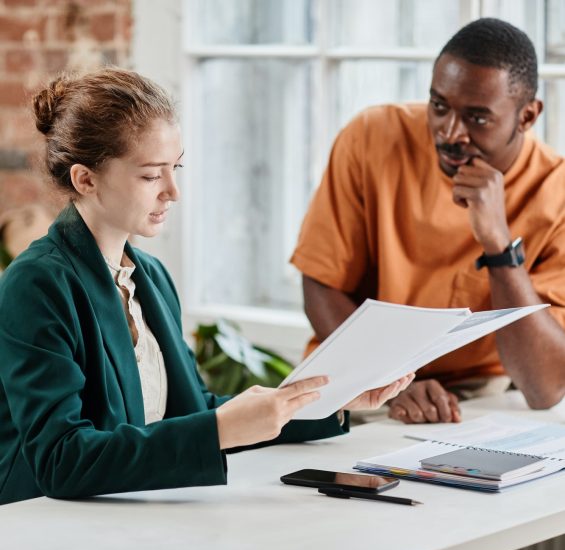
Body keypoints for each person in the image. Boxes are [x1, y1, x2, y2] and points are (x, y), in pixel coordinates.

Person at [0, 68, 413, 505]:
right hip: (41, 528)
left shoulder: (151, 277)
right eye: (150, 175)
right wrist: (218, 429)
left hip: (131, 518)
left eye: (175, 168)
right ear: (86, 179)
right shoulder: (37, 284)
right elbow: (60, 461)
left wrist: (330, 400)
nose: (173, 191)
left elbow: (188, 410)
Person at [291, 18, 565, 425]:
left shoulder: (556, 192)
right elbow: (320, 284)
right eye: (439, 106)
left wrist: (499, 246)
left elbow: (544, 387)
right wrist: (390, 378)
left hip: (475, 395)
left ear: (527, 117)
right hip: (358, 377)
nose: (450, 132)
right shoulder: (372, 137)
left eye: (477, 118)